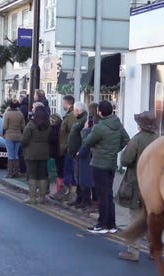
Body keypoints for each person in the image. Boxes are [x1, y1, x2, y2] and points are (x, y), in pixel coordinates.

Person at [82, 100, 130, 234]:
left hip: (99, 163)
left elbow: (87, 142)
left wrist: (86, 129)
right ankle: (111, 224)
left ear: (100, 112)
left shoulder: (99, 127)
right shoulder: (117, 124)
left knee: (102, 194)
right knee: (108, 194)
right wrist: (114, 150)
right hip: (111, 163)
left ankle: (102, 223)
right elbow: (126, 140)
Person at [118, 111, 159, 262]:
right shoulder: (158, 139)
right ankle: (154, 250)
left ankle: (133, 252)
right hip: (154, 184)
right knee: (151, 218)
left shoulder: (136, 140)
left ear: (140, 125)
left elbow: (126, 160)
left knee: (135, 218)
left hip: (136, 182)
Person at [21, 106, 51, 204]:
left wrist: (23, 146)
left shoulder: (31, 125)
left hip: (31, 152)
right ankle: (42, 197)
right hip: (44, 152)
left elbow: (24, 139)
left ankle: (32, 198)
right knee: (43, 175)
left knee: (32, 175)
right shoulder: (48, 125)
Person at [52, 95, 77, 202]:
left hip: (69, 148)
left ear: (67, 103)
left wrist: (67, 146)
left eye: (63, 102)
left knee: (69, 172)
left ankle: (71, 195)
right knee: (67, 171)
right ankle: (67, 194)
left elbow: (73, 132)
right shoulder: (69, 115)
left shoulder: (71, 115)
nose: (62, 105)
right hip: (67, 147)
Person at [66, 101, 89, 207]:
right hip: (75, 152)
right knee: (77, 177)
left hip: (79, 153)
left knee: (80, 177)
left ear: (77, 111)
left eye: (74, 110)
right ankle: (79, 198)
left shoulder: (84, 120)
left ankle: (83, 200)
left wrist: (79, 151)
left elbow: (85, 138)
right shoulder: (80, 119)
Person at [2, 99, 25, 178]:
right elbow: (23, 126)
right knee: (16, 154)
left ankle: (10, 172)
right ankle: (16, 172)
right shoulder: (20, 114)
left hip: (9, 136)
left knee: (10, 155)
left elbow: (4, 126)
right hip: (18, 136)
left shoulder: (7, 114)